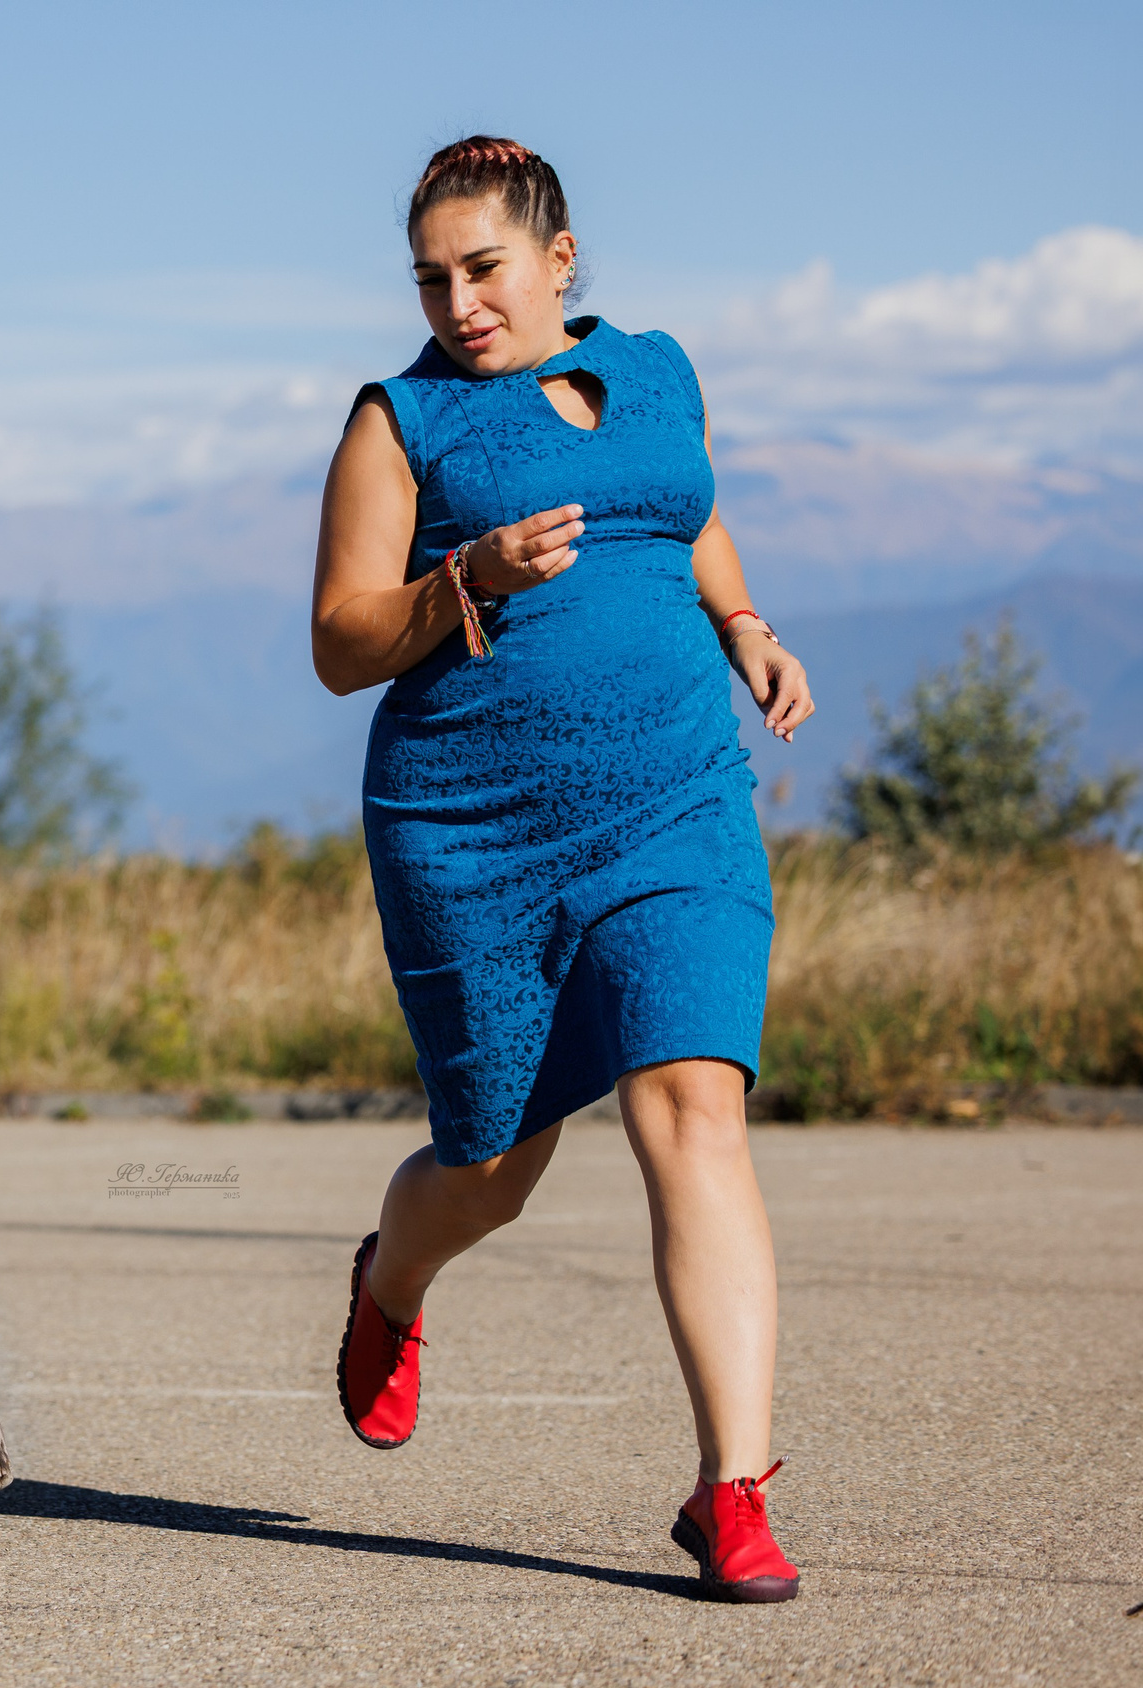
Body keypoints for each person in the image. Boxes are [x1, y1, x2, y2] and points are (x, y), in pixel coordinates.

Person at [310, 136, 817, 1603]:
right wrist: (469, 578)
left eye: (483, 268)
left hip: (677, 798)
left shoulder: (659, 370)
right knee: (490, 1168)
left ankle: (734, 1492)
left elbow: (685, 504)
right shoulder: (402, 420)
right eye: (431, 277)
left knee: (692, 1105)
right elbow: (341, 642)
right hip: (472, 828)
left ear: (559, 257)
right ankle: (390, 1281)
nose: (458, 301)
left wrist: (743, 623)